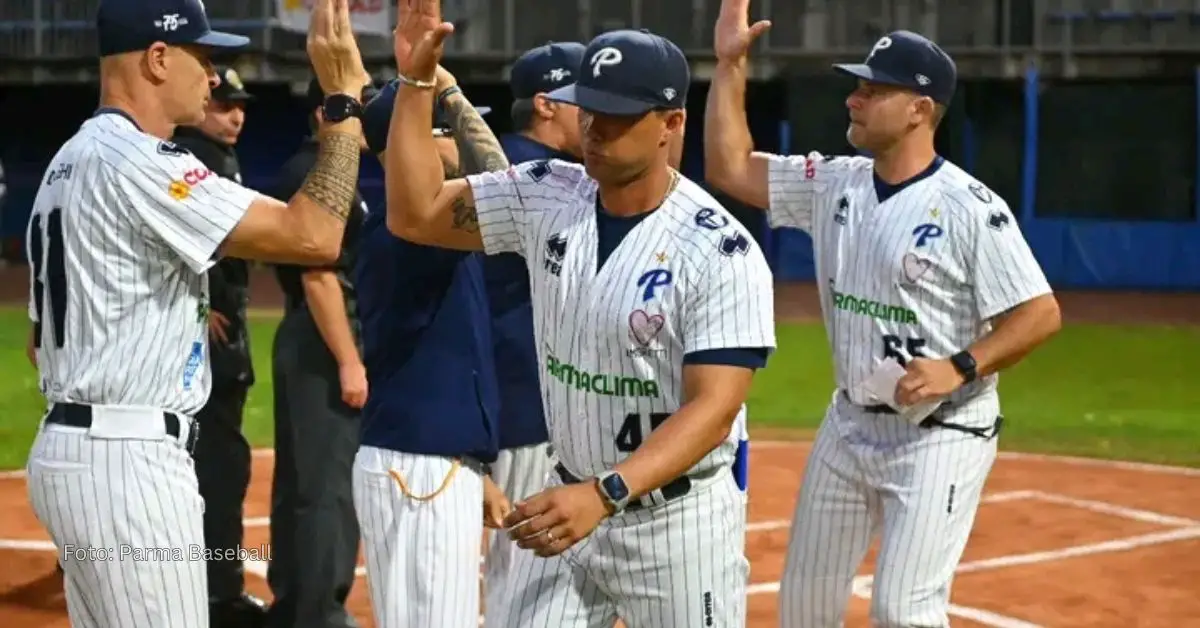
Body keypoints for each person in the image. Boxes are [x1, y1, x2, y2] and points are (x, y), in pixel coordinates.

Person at [385, 1, 777, 625]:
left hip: (674, 525)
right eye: (587, 107)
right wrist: (414, 84)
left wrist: (608, 492)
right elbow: (414, 213)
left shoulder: (720, 249)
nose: (594, 127)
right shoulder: (546, 191)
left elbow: (714, 407)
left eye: (617, 116)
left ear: (671, 122)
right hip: (565, 503)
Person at [703, 2, 1063, 626]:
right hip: (848, 427)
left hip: (940, 433)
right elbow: (731, 167)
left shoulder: (970, 208)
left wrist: (961, 365)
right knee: (803, 610)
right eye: (857, 88)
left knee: (903, 611)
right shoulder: (834, 182)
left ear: (920, 109)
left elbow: (1040, 312)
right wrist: (728, 65)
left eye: (873, 90)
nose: (853, 100)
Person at [22, 0, 368, 625]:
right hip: (128, 466)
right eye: (203, 58)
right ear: (157, 58)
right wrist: (342, 104)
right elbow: (313, 236)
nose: (212, 78)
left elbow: (36, 341)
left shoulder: (67, 161)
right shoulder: (141, 161)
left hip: (77, 450)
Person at [348, 76, 510, 628]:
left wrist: (471, 467)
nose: (460, 143)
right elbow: (504, 185)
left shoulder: (420, 227)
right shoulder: (413, 232)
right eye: (446, 131)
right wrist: (452, 94)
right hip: (419, 473)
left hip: (429, 462)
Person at [264, 75, 376, 628]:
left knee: (302, 483)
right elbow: (318, 274)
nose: (366, 115)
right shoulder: (315, 173)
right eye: (356, 105)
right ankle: (319, 613)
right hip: (323, 337)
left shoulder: (316, 171)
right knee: (327, 487)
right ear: (324, 114)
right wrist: (349, 360)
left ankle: (295, 605)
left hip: (309, 338)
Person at [479, 39, 583, 616]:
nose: (590, 113)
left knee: (523, 574)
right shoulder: (543, 178)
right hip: (528, 400)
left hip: (511, 394)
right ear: (544, 105)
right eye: (577, 101)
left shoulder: (501, 168)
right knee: (531, 577)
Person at [169, 65, 268, 628]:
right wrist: (197, 306)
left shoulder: (203, 155)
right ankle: (218, 594)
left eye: (242, 106)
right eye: (224, 103)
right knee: (219, 470)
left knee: (206, 468)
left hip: (215, 346)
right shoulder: (192, 158)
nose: (235, 115)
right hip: (205, 354)